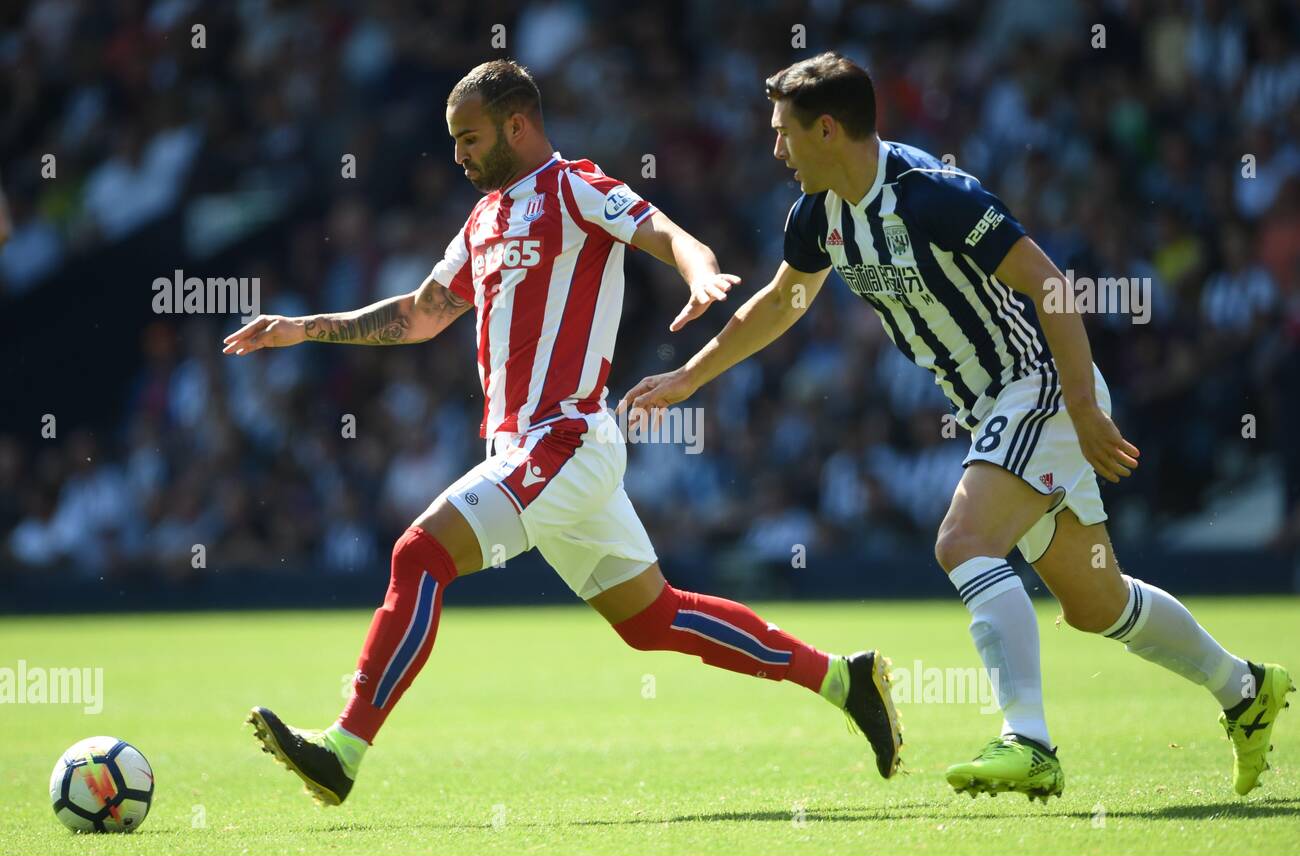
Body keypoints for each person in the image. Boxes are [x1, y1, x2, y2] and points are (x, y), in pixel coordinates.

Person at [221, 59, 901, 806]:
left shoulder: (572, 185)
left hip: (564, 438)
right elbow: (418, 314)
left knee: (419, 553)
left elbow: (665, 232)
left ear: (517, 124)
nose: (457, 155)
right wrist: (302, 329)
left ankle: (343, 748)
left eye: (469, 138)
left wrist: (699, 270)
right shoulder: (483, 219)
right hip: (529, 450)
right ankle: (845, 678)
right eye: (453, 141)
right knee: (654, 618)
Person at [622, 52, 1290, 801]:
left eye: (783, 132)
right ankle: (1245, 687)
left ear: (829, 130)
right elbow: (782, 303)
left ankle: (1029, 741)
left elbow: (1050, 285)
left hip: (1036, 383)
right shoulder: (818, 215)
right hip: (994, 407)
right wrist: (688, 378)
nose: (775, 148)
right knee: (1096, 603)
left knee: (962, 541)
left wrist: (1081, 404)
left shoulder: (932, 195)